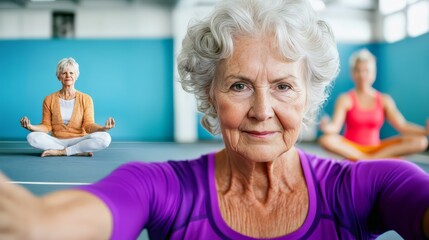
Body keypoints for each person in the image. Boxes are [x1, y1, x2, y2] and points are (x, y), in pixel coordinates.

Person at [1, 0, 429, 239]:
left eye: (283, 86)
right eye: (239, 85)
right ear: (210, 94)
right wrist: (36, 223)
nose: (262, 111)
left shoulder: (369, 187)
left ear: (309, 96)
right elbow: (70, 220)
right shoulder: (160, 188)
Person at [319, 49, 429, 160]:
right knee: (326, 139)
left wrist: (425, 130)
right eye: (358, 70)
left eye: (366, 70)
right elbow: (335, 127)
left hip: (378, 150)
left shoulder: (384, 99)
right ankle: (366, 159)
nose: (362, 75)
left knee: (421, 141)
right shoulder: (345, 99)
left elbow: (402, 125)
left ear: (373, 73)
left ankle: (369, 159)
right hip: (352, 149)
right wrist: (326, 126)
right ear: (352, 73)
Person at [19, 57, 115, 157]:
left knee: (105, 137)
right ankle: (75, 151)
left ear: (76, 76)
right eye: (64, 73)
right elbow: (46, 127)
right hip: (57, 141)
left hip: (79, 140)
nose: (68, 75)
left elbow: (88, 125)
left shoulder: (86, 99)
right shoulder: (49, 99)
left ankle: (62, 152)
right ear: (59, 76)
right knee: (32, 137)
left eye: (71, 73)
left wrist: (103, 128)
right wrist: (30, 127)